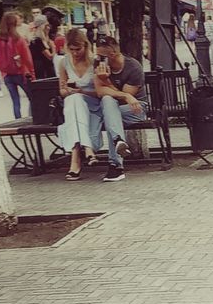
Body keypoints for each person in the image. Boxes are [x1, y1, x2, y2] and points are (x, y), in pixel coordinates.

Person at [93, 35, 147, 183]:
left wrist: (106, 81)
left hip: (136, 108)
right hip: (114, 110)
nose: (97, 59)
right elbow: (100, 92)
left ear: (112, 55)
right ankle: (118, 142)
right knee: (107, 101)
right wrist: (120, 93)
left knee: (111, 111)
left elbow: (127, 98)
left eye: (101, 56)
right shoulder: (98, 65)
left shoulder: (133, 67)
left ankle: (115, 165)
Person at [55, 27, 103, 179]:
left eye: (78, 49)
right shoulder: (64, 63)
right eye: (71, 49)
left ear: (85, 45)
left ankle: (75, 162)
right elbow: (62, 91)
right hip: (73, 105)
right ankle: (87, 149)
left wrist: (82, 92)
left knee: (75, 101)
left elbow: (100, 92)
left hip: (92, 105)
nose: (75, 53)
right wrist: (69, 90)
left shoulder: (95, 62)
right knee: (73, 100)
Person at [0, 11, 35, 117]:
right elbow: (27, 59)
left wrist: (3, 73)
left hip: (7, 74)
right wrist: (32, 73)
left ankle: (18, 121)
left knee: (15, 101)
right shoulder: (18, 39)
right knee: (32, 97)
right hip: (21, 73)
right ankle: (33, 118)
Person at [29, 15, 55, 79]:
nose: (48, 28)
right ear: (42, 27)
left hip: (45, 69)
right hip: (43, 70)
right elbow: (50, 56)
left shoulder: (43, 39)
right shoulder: (37, 40)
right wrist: (53, 47)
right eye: (46, 26)